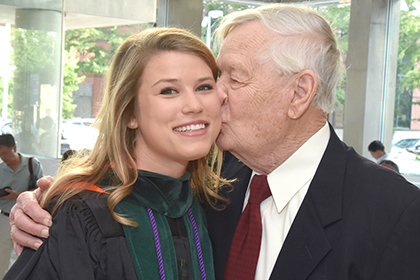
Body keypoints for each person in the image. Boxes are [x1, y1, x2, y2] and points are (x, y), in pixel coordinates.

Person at [10, 4, 420, 280]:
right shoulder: (204, 185)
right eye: (213, 78)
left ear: (299, 93)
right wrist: (45, 210)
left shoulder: (396, 214)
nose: (213, 97)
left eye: (230, 78)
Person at [5, 27, 228, 280]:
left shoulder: (215, 201)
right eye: (168, 91)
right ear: (129, 113)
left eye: (204, 87)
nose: (194, 105)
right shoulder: (80, 211)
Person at [0, 134, 43, 277]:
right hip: (4, 219)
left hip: (27, 219)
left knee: (25, 259)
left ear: (14, 148)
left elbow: (40, 192)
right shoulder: (0, 170)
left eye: (5, 153)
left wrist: (17, 196)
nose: (3, 157)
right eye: (0, 155)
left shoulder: (32, 164)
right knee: (2, 258)